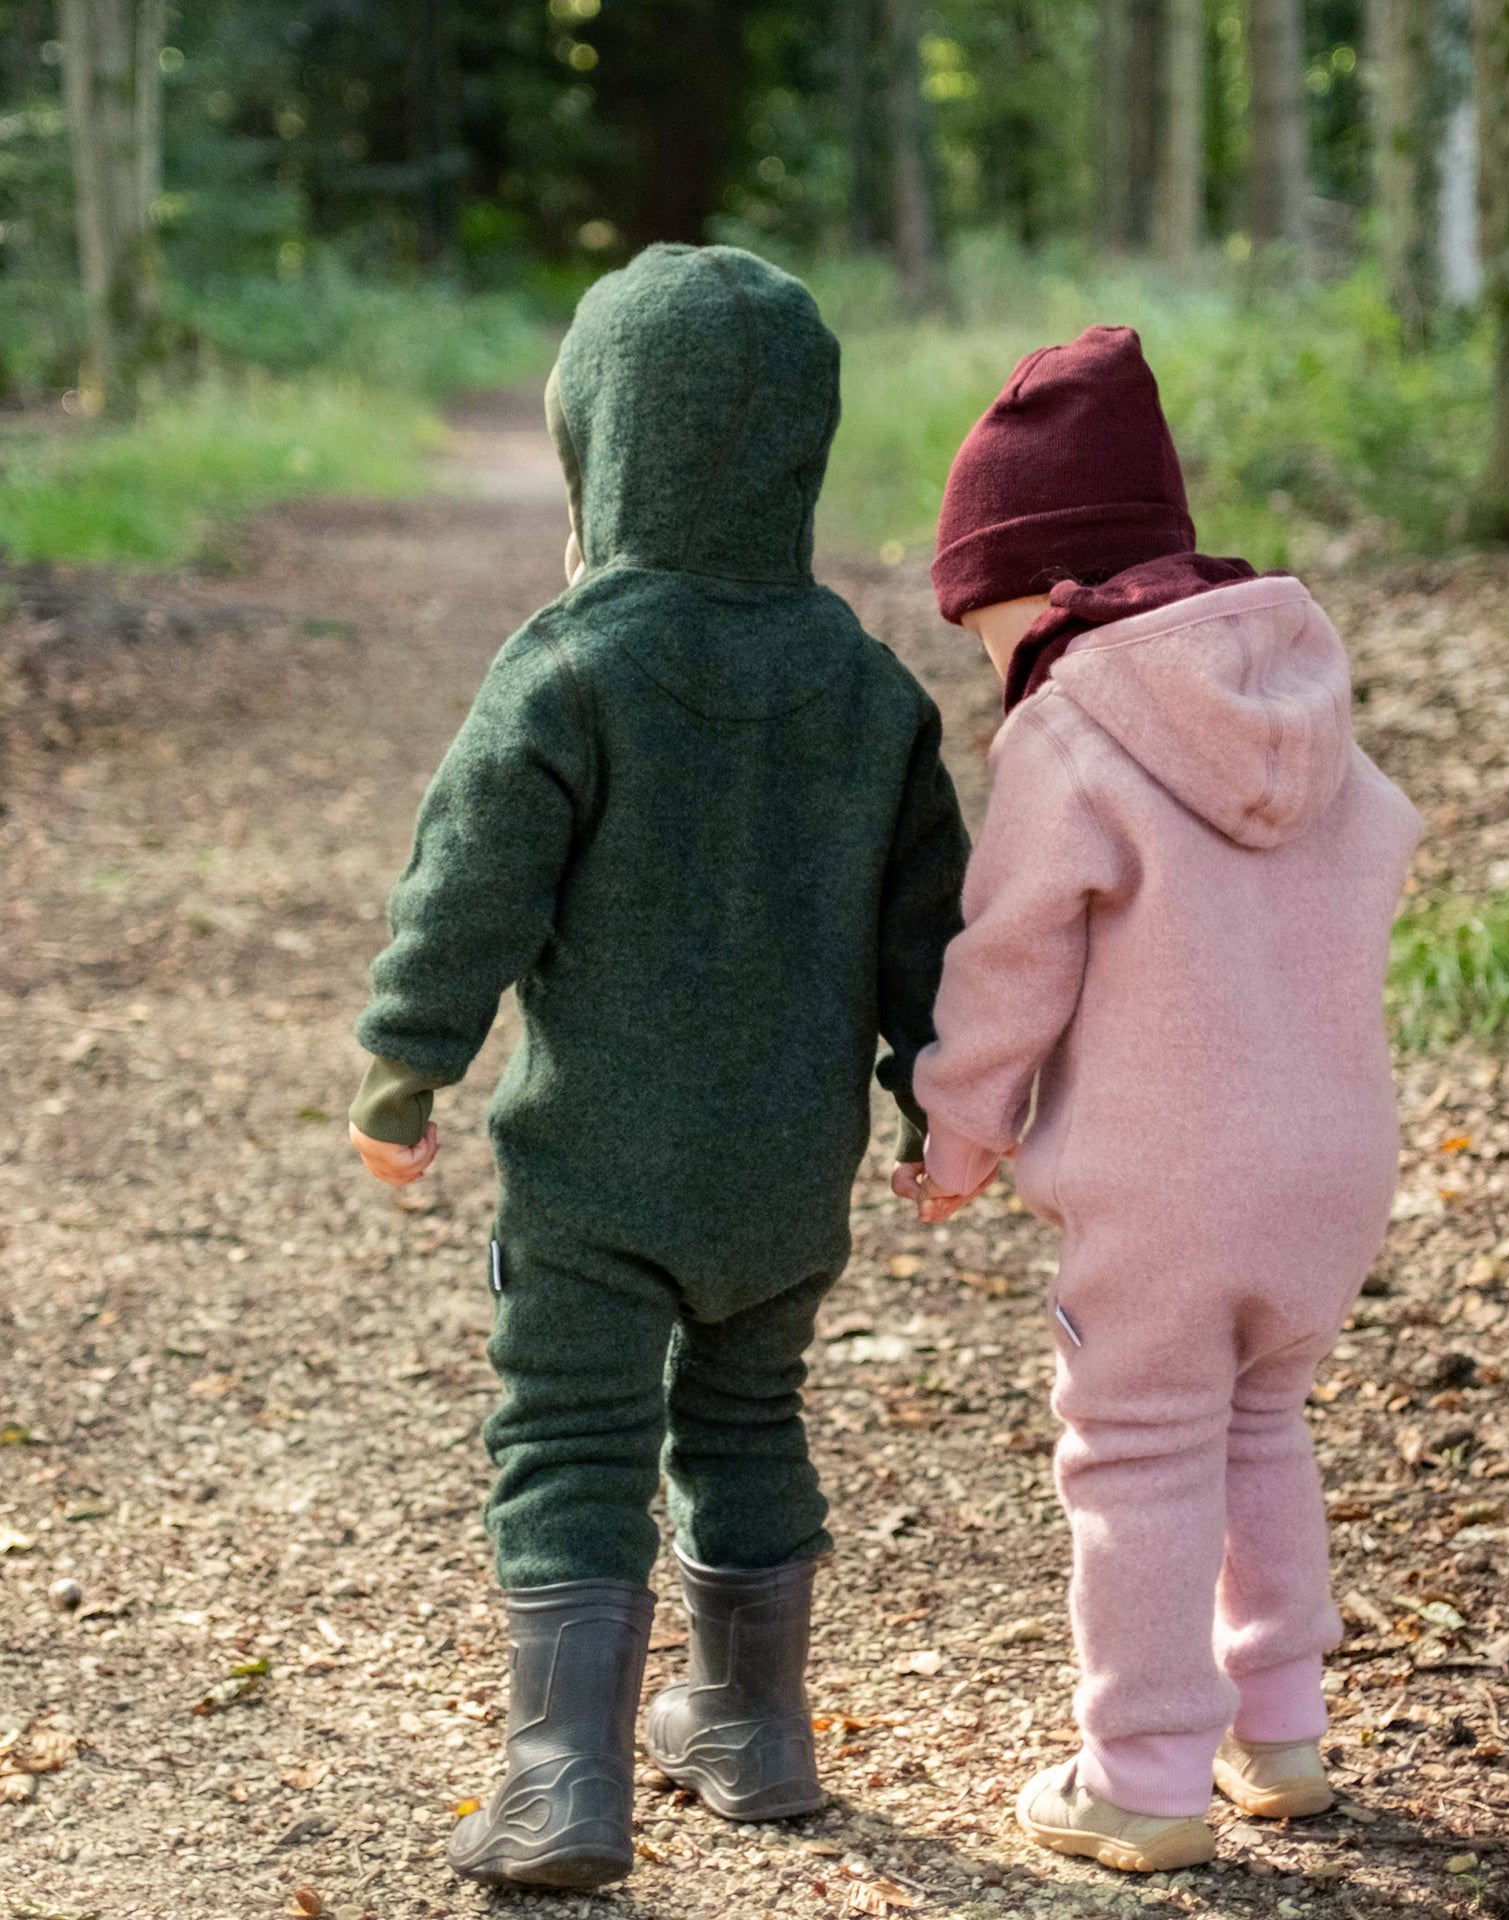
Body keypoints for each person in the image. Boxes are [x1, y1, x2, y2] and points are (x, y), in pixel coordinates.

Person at [348, 244, 968, 1891]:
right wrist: (940, 1098)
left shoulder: (570, 664)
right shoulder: (868, 692)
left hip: (597, 1175)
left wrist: (404, 1067)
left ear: (597, 448)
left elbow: (466, 883)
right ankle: (755, 1733)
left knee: (570, 1433)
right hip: (783, 1174)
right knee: (750, 1416)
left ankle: (564, 1779)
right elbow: (936, 940)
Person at [897, 326, 1419, 1874]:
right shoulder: (1304, 710)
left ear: (1048, 597)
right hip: (1329, 1168)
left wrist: (960, 1130)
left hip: (1164, 1185)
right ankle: (1285, 1731)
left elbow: (1011, 963)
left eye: (984, 631)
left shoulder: (1072, 734)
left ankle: (1139, 1775)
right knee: (1264, 1419)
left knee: (1135, 1449)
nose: (990, 672)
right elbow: (1385, 850)